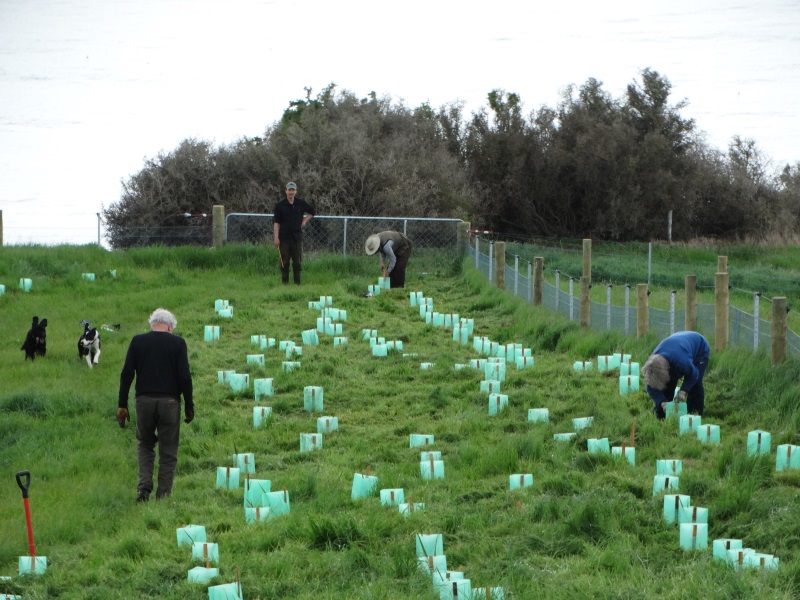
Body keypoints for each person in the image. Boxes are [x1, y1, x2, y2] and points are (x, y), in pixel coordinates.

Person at [117, 308, 194, 502]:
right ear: (170, 326)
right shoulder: (178, 343)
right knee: (168, 451)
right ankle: (164, 495)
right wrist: (189, 405)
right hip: (170, 403)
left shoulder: (138, 341)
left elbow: (127, 374)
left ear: (152, 324)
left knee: (145, 444)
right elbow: (185, 377)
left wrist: (122, 404)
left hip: (143, 402)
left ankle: (143, 489)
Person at [642, 331, 710, 420]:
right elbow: (650, 387)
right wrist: (662, 402)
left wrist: (683, 391)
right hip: (678, 345)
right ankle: (663, 414)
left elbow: (693, 375)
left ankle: (694, 415)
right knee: (666, 384)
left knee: (695, 385)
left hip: (699, 350)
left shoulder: (681, 362)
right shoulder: (652, 365)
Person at [273, 181, 315, 284]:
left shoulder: (300, 203)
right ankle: (285, 283)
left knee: (297, 262)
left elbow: (312, 212)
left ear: (296, 191)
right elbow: (276, 223)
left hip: (297, 237)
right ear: (286, 191)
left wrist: (304, 221)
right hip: (284, 238)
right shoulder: (280, 205)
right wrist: (276, 237)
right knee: (284, 261)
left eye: (293, 190)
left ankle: (297, 283)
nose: (291, 192)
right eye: (289, 190)